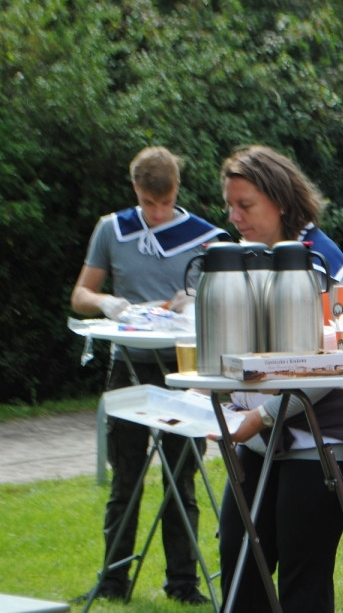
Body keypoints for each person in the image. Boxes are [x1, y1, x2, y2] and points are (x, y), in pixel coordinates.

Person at [215, 144, 343, 612]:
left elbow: (342, 361)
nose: (234, 216)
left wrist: (260, 415)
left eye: (246, 205)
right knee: (240, 558)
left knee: (303, 571)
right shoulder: (242, 258)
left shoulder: (324, 263)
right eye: (229, 206)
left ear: (279, 201)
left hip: (326, 434)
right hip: (262, 431)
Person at [70, 146, 227, 605]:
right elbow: (81, 292)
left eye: (165, 202)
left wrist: (192, 301)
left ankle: (184, 584)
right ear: (135, 190)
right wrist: (105, 303)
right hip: (129, 363)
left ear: (177, 190)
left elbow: (219, 298)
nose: (157, 213)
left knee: (182, 477)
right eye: (148, 203)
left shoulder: (203, 237)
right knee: (127, 478)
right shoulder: (112, 229)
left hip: (182, 364)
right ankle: (114, 581)